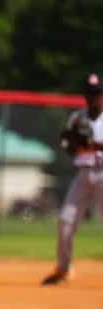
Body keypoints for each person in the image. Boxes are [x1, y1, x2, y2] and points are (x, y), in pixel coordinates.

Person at [42, 73, 103, 285]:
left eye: (96, 93)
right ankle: (64, 268)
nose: (92, 97)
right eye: (89, 93)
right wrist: (75, 144)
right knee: (65, 221)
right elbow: (66, 143)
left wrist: (92, 144)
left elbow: (92, 144)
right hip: (84, 174)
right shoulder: (78, 117)